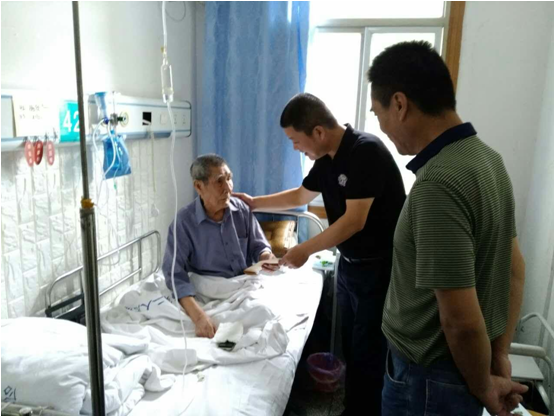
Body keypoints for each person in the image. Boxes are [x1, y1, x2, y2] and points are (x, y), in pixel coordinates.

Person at [367, 40, 528, 416]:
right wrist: (499, 353)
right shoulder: (488, 159)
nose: (382, 128)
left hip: (428, 379)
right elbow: (514, 269)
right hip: (459, 370)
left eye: (378, 114)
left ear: (400, 104)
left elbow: (459, 321)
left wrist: (483, 386)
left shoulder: (439, 182)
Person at [234, 93, 406, 415]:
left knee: (369, 353)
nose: (295, 148)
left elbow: (354, 221)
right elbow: (301, 195)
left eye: (296, 140)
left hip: (378, 270)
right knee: (352, 348)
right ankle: (353, 408)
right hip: (350, 267)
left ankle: (364, 411)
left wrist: (304, 249)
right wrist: (254, 203)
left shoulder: (365, 152)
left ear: (318, 132)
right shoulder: (326, 160)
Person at [162, 154, 277, 339]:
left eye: (229, 179)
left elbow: (259, 246)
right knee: (214, 327)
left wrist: (266, 256)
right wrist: (199, 317)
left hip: (241, 288)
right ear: (199, 186)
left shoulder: (241, 210)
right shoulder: (183, 223)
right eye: (219, 181)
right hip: (205, 292)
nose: (228, 187)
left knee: (265, 313)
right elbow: (175, 275)